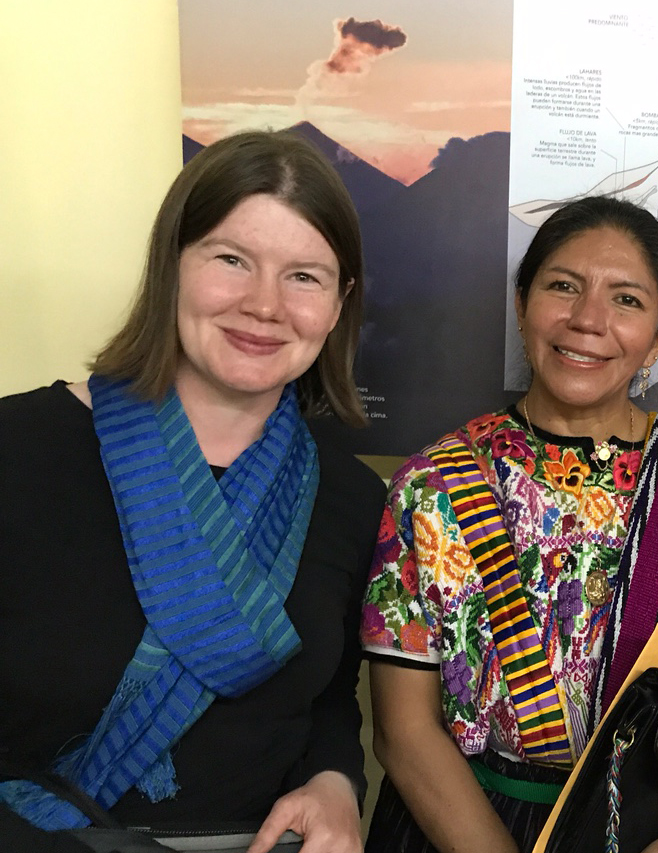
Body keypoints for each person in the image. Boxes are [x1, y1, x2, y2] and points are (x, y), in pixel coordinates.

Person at [361, 196, 658, 853]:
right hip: (464, 823)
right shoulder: (431, 487)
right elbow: (404, 731)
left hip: (657, 826)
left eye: (627, 300)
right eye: (563, 286)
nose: (587, 320)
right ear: (523, 302)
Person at [0, 130, 385, 853]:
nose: (264, 304)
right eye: (232, 260)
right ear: (170, 266)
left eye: (304, 276)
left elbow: (328, 694)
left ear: (339, 303)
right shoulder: (17, 449)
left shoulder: (351, 497)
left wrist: (337, 779)